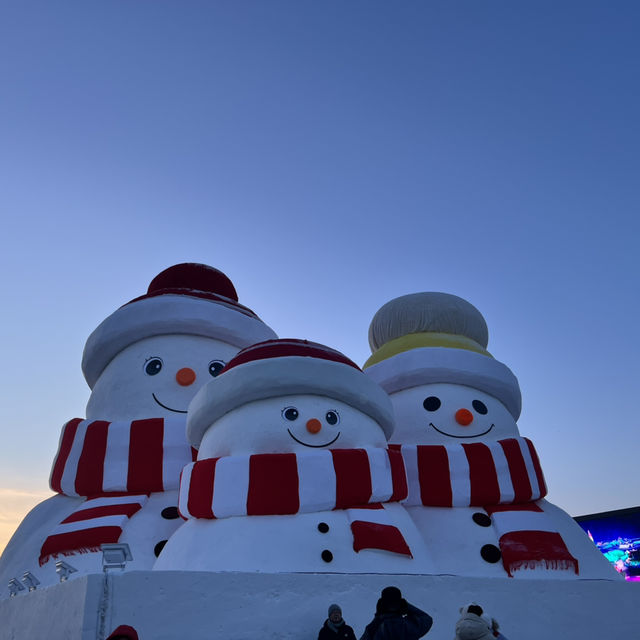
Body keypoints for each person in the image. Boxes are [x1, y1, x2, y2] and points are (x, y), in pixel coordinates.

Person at [360, 586, 433, 640]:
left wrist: (378, 616)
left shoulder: (374, 628)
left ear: (382, 604)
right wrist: (407, 606)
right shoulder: (410, 626)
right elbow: (427, 619)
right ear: (400, 604)